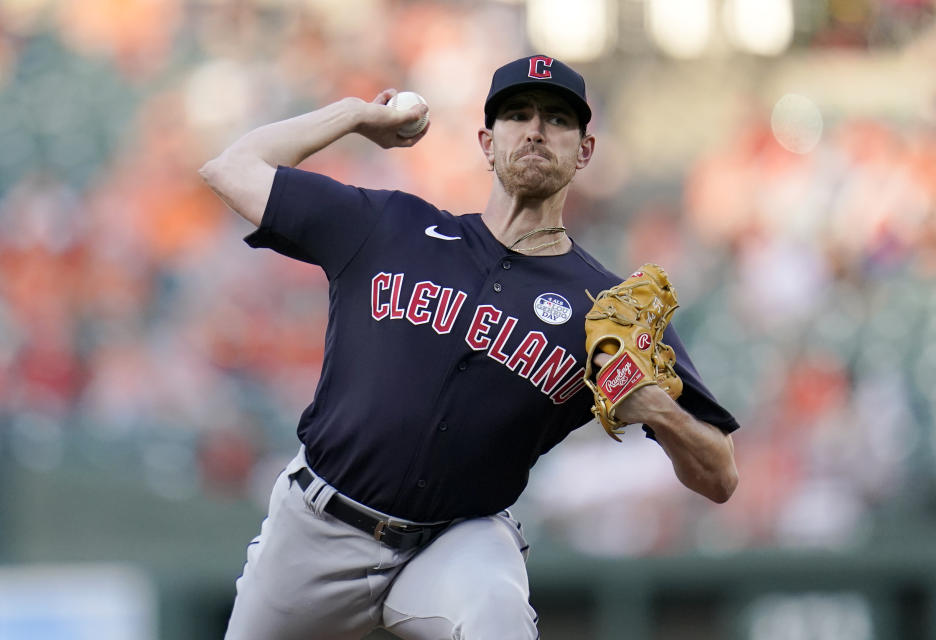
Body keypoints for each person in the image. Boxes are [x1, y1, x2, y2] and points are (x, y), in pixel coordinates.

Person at [200, 54, 740, 640]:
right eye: (517, 114)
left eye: (558, 119)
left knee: (496, 617)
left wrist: (656, 407)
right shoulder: (390, 227)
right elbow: (232, 168)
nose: (535, 128)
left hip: (456, 539)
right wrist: (356, 116)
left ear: (584, 151)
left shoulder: (608, 309)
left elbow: (720, 477)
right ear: (488, 141)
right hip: (318, 530)